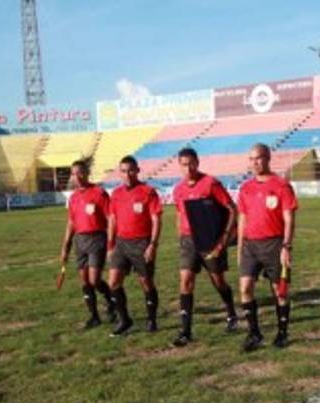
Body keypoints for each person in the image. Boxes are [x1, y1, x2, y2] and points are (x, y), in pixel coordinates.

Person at [170, 147, 240, 347]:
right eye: (184, 164)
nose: (188, 168)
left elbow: (231, 209)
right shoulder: (178, 190)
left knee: (218, 281)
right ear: (180, 166)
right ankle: (185, 331)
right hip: (188, 241)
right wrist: (180, 238)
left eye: (191, 163)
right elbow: (179, 214)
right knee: (185, 281)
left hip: (210, 240)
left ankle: (231, 313)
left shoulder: (211, 183)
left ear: (197, 162)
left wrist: (224, 238)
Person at [236, 142, 298, 351]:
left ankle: (282, 333)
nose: (255, 163)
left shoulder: (281, 185)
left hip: (274, 244)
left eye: (259, 158)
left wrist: (286, 246)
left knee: (279, 292)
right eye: (252, 159)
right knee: (245, 288)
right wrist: (240, 247)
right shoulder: (246, 188)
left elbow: (289, 219)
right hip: (250, 246)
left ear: (268, 158)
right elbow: (242, 219)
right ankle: (254, 333)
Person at [105, 156, 163, 336]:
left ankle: (152, 319)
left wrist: (152, 244)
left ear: (137, 170)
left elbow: (156, 219)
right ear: (119, 173)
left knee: (145, 282)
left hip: (141, 243)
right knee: (113, 282)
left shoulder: (148, 191)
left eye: (131, 170)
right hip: (121, 243)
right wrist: (110, 245)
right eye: (123, 171)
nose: (127, 174)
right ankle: (124, 320)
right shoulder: (116, 194)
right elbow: (112, 220)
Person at [60, 160, 114, 328]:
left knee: (94, 280)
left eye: (80, 173)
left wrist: (112, 242)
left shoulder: (99, 193)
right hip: (80, 241)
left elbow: (111, 218)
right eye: (74, 174)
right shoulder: (74, 198)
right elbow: (71, 223)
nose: (77, 177)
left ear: (87, 173)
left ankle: (110, 299)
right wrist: (65, 246)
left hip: (97, 238)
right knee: (84, 281)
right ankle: (94, 317)